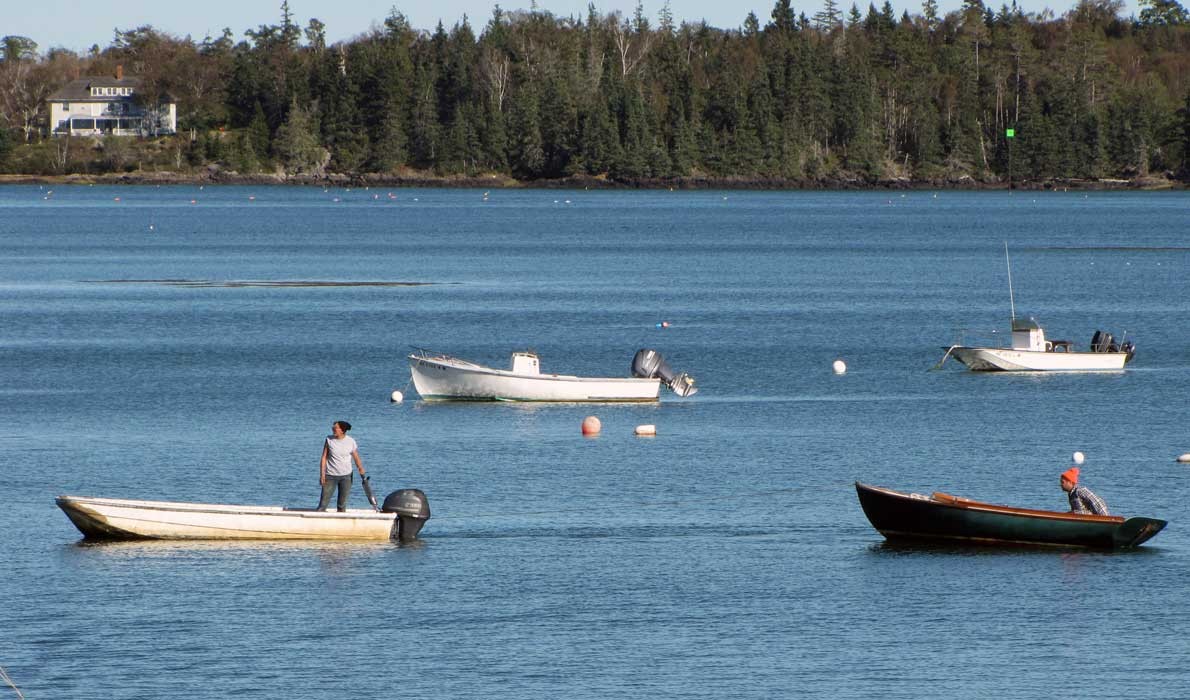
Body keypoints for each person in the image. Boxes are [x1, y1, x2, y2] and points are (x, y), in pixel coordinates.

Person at [318, 420, 365, 512]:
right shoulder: (329, 439)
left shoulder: (350, 441)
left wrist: (360, 468)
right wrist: (322, 474)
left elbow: (356, 456)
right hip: (330, 475)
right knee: (323, 504)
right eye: (333, 427)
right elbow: (324, 457)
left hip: (346, 476)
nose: (333, 429)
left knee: (342, 504)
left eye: (335, 428)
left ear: (342, 430)